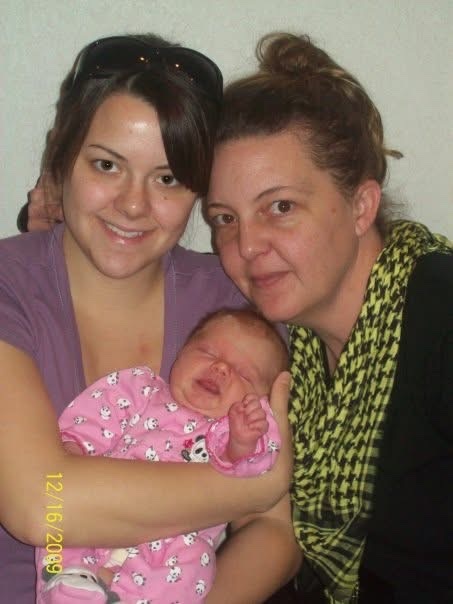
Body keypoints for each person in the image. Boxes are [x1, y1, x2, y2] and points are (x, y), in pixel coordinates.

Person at [0, 33, 300, 604]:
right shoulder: (9, 285)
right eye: (106, 165)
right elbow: (41, 504)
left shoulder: (232, 305)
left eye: (167, 179)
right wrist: (254, 484)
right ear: (62, 157)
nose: (134, 205)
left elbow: (273, 533)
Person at [206, 33, 453, 604]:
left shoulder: (439, 318)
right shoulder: (285, 343)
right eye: (224, 218)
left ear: (361, 206)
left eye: (280, 207)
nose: (247, 246)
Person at [36, 308, 288, 603]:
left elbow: (251, 469)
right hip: (102, 507)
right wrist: (75, 448)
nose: (221, 368)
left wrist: (244, 441)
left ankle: (132, 598)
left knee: (198, 561)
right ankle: (67, 584)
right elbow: (94, 418)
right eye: (207, 352)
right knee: (58, 514)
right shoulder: (141, 390)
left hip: (174, 540)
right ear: (180, 353)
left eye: (244, 374)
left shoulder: (229, 434)